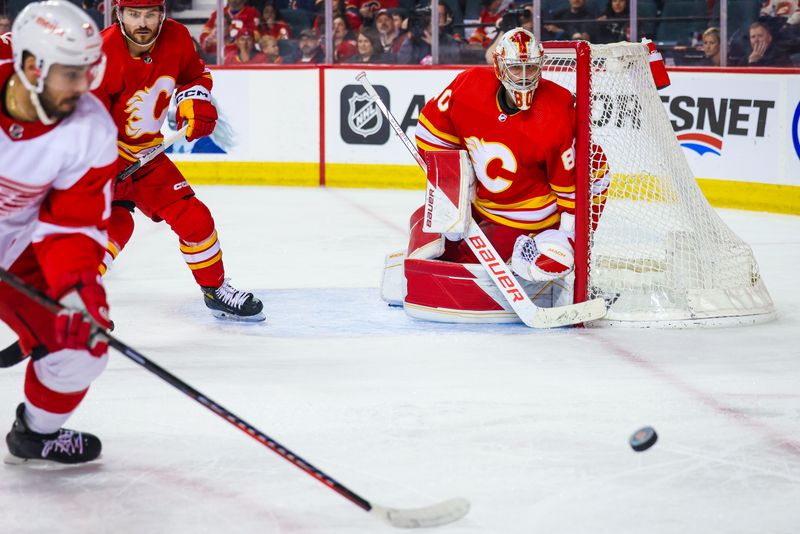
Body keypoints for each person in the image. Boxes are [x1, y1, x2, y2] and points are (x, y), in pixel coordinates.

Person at [93, 0, 264, 321]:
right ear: (119, 14)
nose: (142, 23)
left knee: (195, 218)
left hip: (148, 155)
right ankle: (75, 295)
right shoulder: (101, 53)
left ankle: (215, 290)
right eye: (133, 14)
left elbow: (194, 75)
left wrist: (195, 100)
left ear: (162, 13)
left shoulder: (177, 37)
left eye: (150, 14)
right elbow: (82, 118)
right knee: (115, 226)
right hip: (101, 158)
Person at [1, 1, 118, 465]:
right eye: (71, 73)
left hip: (15, 250)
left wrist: (78, 292)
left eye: (88, 71)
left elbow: (73, 224)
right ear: (33, 66)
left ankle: (36, 433)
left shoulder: (90, 130)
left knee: (83, 349)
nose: (83, 86)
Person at [411, 28, 579, 284]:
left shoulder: (556, 109)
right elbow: (432, 135)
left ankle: (532, 252)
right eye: (515, 69)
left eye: (530, 68)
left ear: (541, 66)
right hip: (483, 206)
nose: (523, 78)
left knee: (459, 265)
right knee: (426, 220)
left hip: (526, 220)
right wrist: (457, 190)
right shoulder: (470, 85)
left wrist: (566, 236)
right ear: (500, 67)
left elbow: (570, 187)